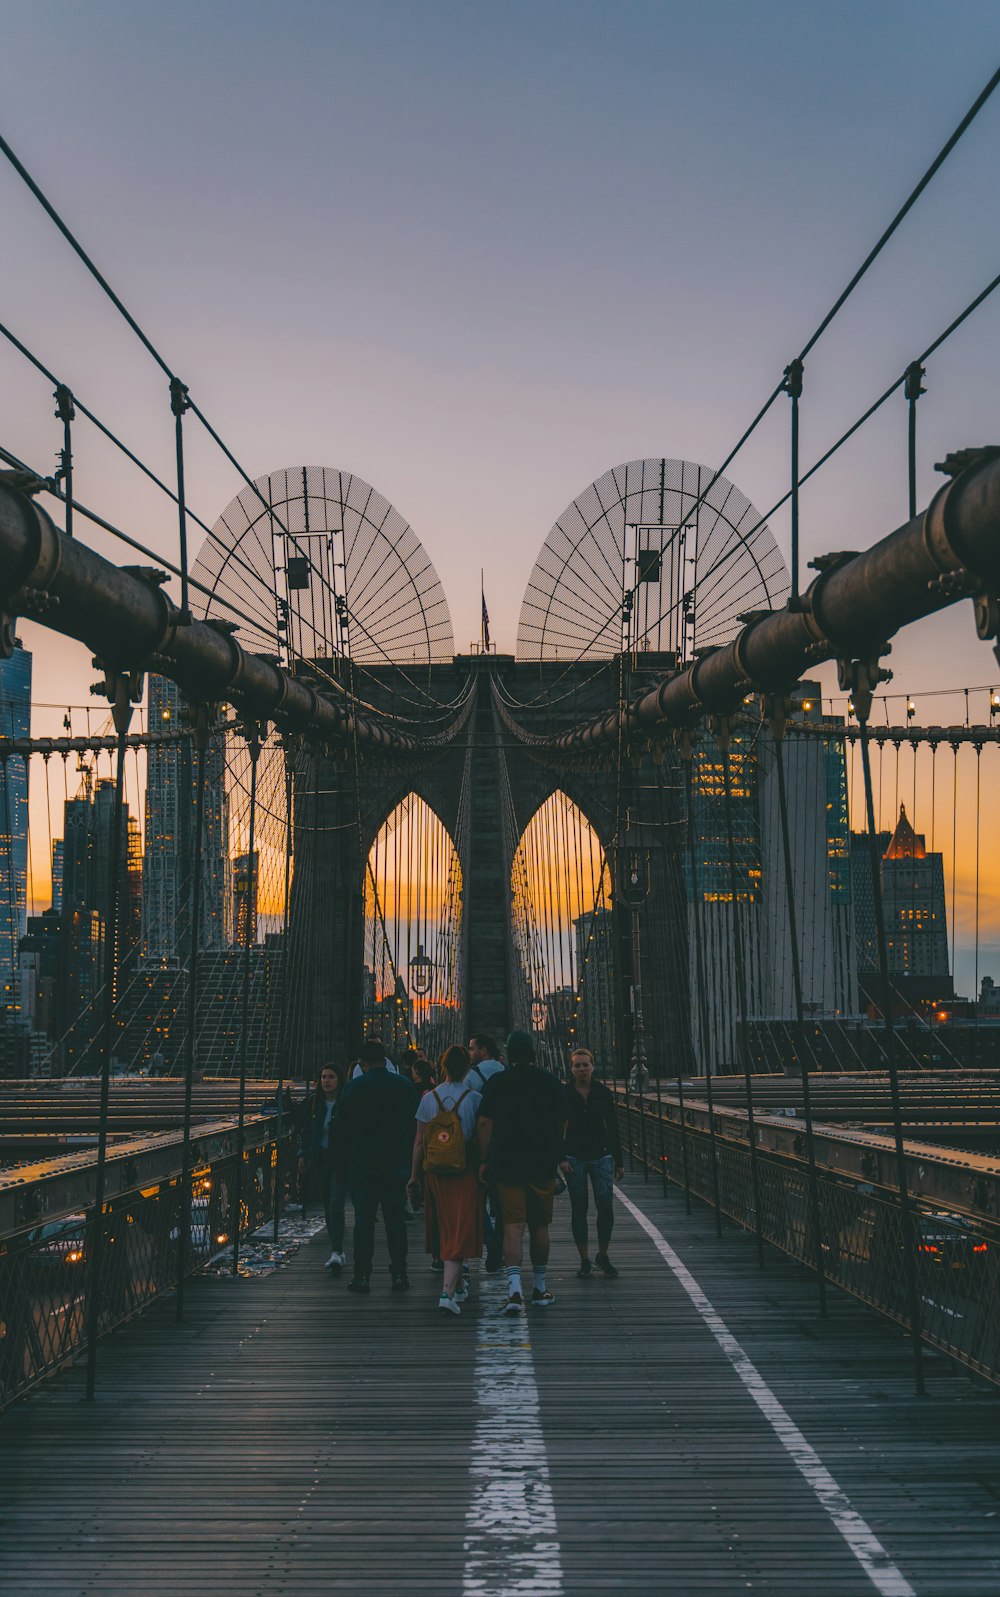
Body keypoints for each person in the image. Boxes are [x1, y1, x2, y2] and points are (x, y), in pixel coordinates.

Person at [476, 1029, 567, 1315]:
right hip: (542, 1165)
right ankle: (539, 1288)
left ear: (508, 1055)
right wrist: (556, 1152)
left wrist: (483, 1159)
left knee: (512, 1227)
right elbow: (563, 1123)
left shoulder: (497, 1082)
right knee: (540, 1226)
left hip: (506, 1164)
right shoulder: (551, 1082)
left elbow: (484, 1124)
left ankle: (514, 1291)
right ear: (534, 1053)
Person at [334, 1038, 419, 1293]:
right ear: (385, 1060)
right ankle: (400, 1275)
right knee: (395, 1221)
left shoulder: (353, 1088)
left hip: (363, 1166)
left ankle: (362, 1276)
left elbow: (341, 1129)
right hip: (396, 1166)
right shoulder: (404, 1086)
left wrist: (343, 1166)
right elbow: (415, 1125)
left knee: (363, 1223)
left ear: (362, 1062)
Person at [407, 1044, 483, 1316]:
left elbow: (419, 1142)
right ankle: (447, 1293)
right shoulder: (474, 1099)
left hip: (435, 1172)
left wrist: (414, 1176)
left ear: (442, 1067)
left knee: (446, 1225)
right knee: (460, 1228)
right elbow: (480, 1139)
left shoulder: (429, 1098)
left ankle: (460, 1287)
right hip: (465, 1172)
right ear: (467, 1069)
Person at [558, 1047, 624, 1279]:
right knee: (580, 1208)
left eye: (586, 1064)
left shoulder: (602, 1093)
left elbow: (613, 1126)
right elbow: (558, 1128)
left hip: (601, 1155)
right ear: (572, 1068)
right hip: (574, 1157)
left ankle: (602, 1255)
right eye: (577, 1065)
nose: (582, 1069)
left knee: (605, 1207)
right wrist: (561, 1158)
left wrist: (619, 1161)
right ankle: (584, 1259)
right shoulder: (564, 1093)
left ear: (592, 1066)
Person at [298, 1062, 349, 1273]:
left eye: (331, 1077)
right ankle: (337, 1249)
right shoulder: (313, 1103)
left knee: (336, 1203)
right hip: (319, 1160)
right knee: (328, 1204)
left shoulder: (346, 1103)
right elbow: (305, 1132)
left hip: (340, 1160)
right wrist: (303, 1156)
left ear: (339, 1080)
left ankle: (337, 1251)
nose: (326, 1081)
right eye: (323, 1077)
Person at [467, 1033, 504, 1271]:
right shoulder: (506, 1071)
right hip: (505, 1145)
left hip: (481, 1145)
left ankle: (490, 1239)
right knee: (501, 1200)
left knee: (476, 1199)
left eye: (472, 1049)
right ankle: (500, 1243)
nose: (469, 1053)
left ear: (483, 1051)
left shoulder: (471, 1076)